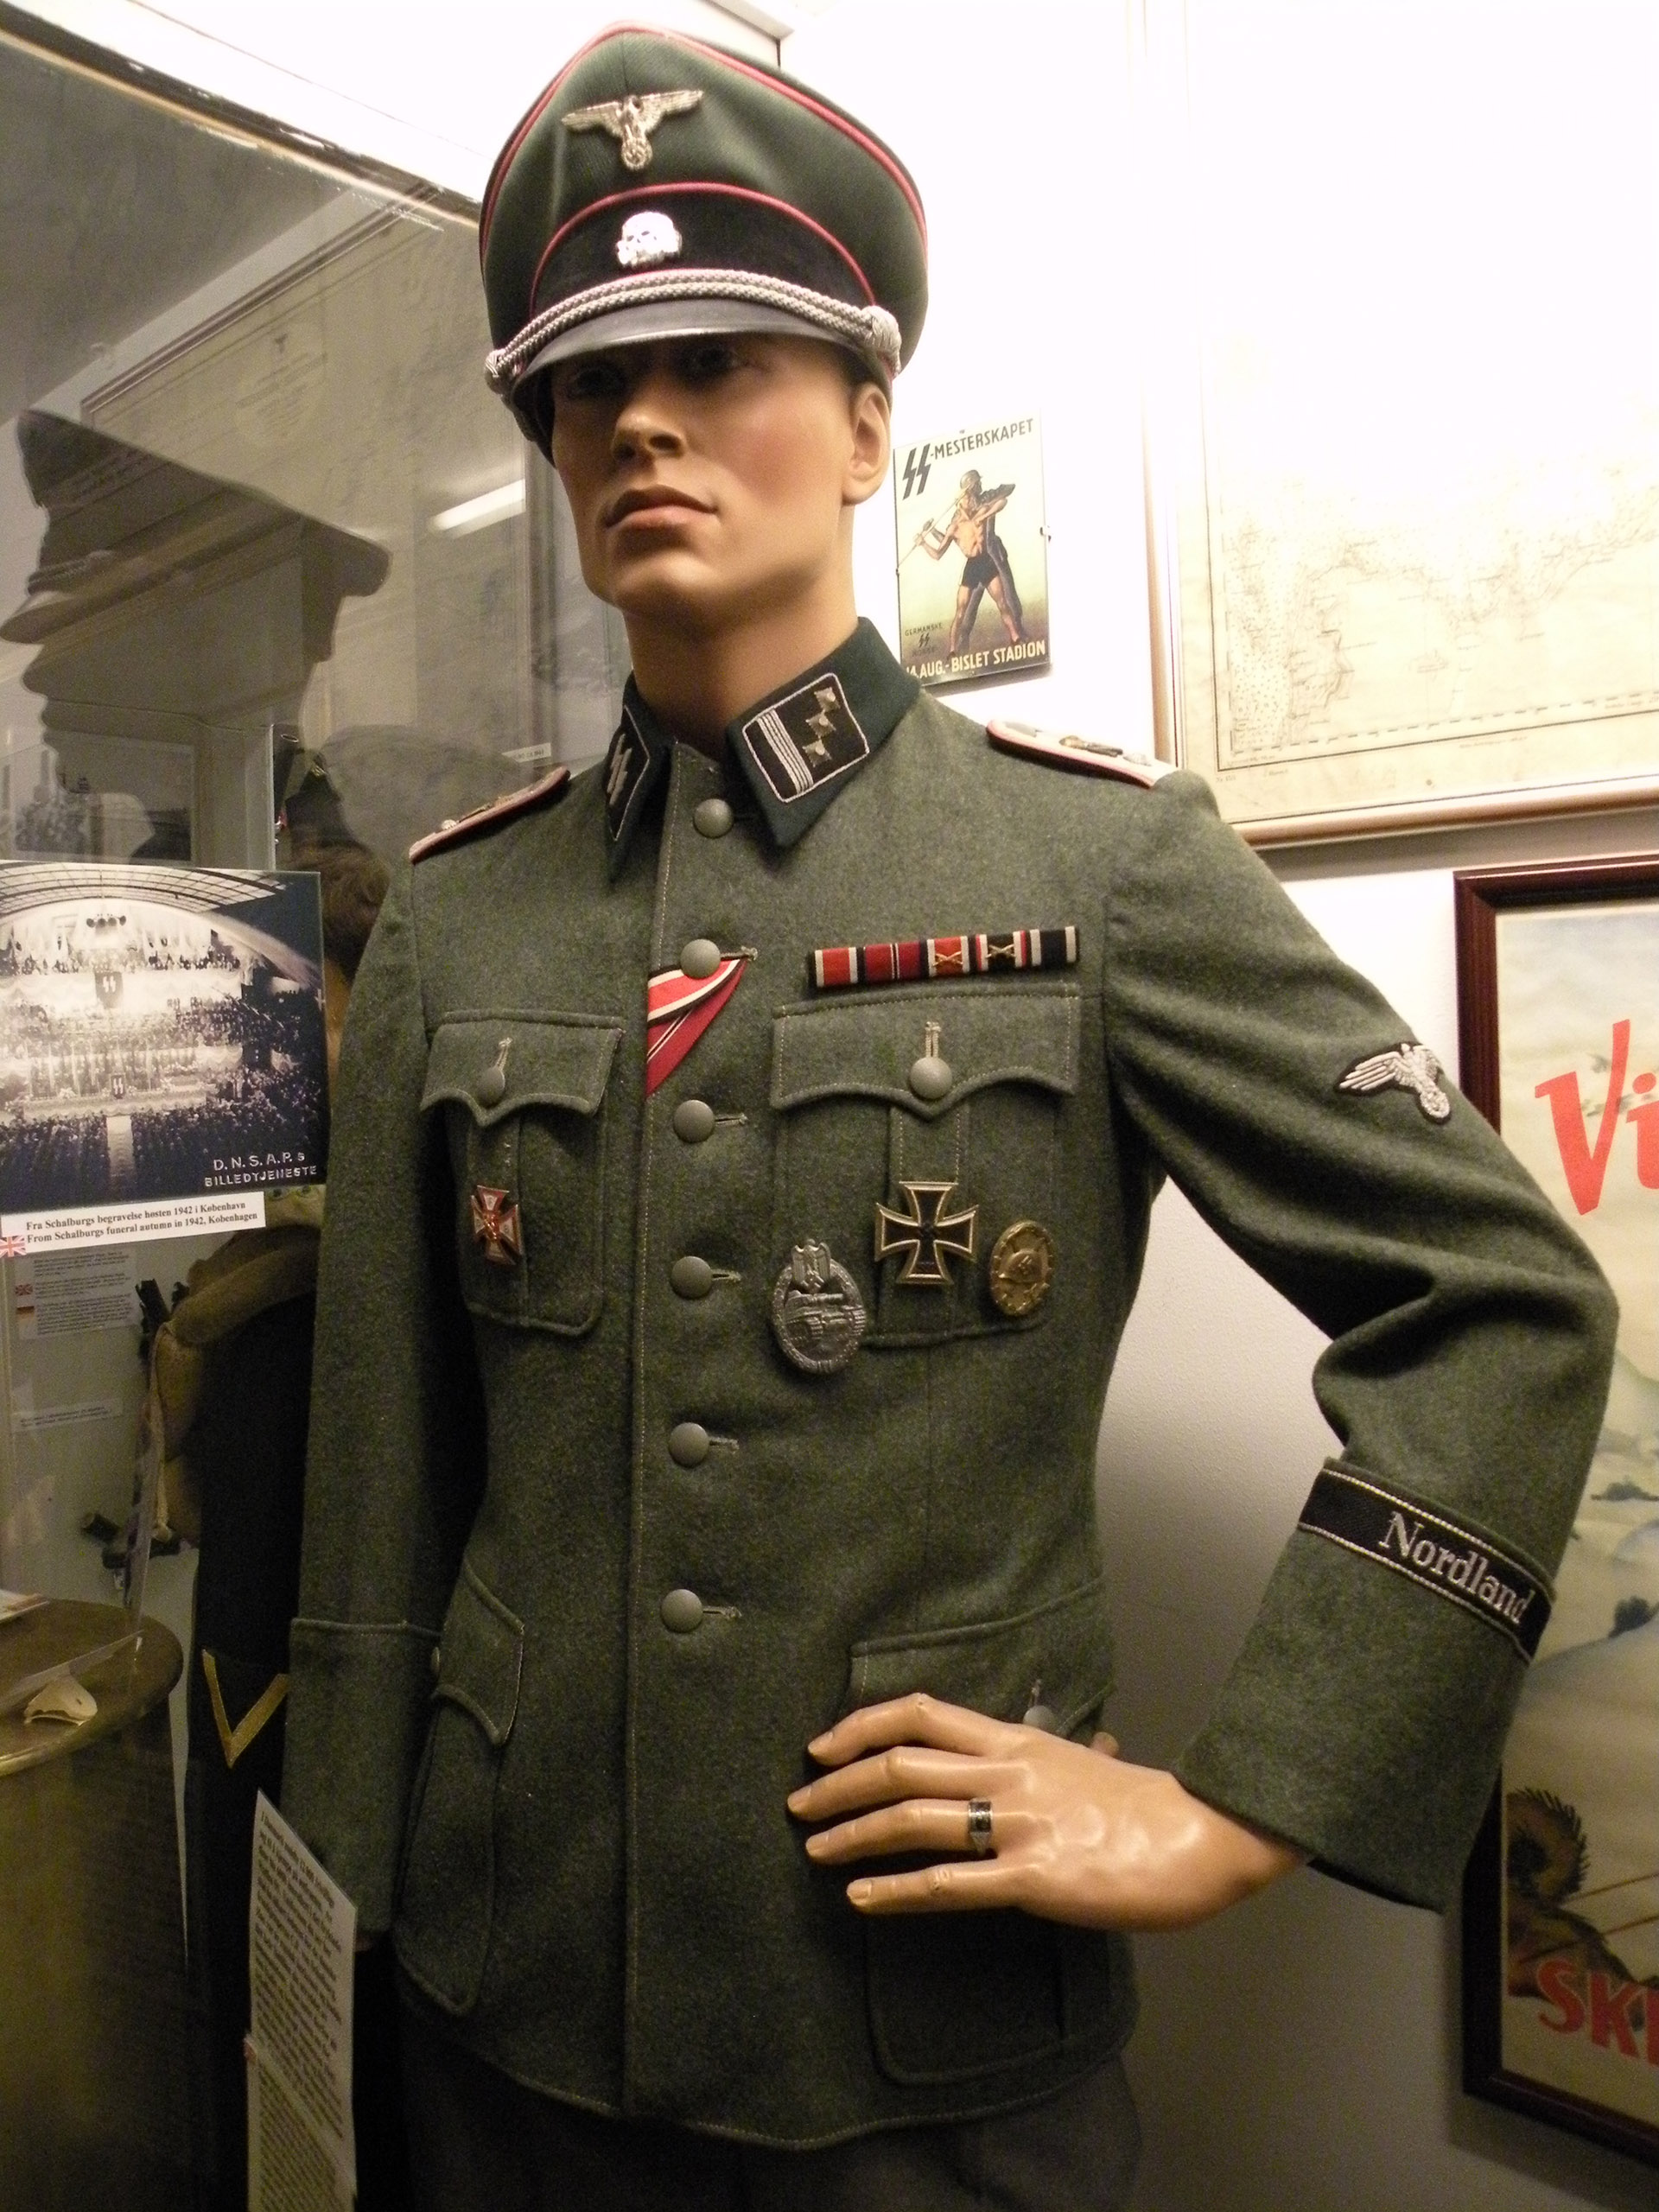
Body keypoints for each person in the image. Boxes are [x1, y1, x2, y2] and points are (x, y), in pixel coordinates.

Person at [281, 29, 1617, 2209]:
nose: (639, 422)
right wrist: (327, 1961)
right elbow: (376, 1512)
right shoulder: (455, 916)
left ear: (870, 424)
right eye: (587, 385)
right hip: (503, 2010)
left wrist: (1243, 1799)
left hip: (924, 2040)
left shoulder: (1094, 866)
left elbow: (1502, 1300)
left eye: (720, 360)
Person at [157, 842, 406, 2210]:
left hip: (333, 1765)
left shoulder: (352, 1298)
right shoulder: (253, 1289)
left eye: (308, 1024)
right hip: (247, 1715)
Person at [918, 468, 1026, 653]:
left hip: (992, 558)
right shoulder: (956, 521)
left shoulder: (984, 503)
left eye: (969, 497)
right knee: (964, 610)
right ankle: (957, 647)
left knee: (1006, 600)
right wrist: (928, 536)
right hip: (973, 566)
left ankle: (1017, 635)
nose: (968, 501)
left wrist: (985, 511)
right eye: (965, 499)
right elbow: (948, 544)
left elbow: (1006, 495)